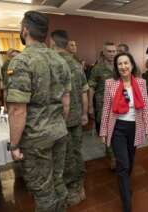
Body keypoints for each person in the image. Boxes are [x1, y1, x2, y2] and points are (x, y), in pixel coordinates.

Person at [6, 11, 71, 212]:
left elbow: (17, 109)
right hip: (59, 132)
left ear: (25, 30)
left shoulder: (21, 61)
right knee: (57, 181)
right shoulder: (61, 60)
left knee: (43, 191)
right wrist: (58, 125)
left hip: (36, 139)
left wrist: (14, 145)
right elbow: (66, 101)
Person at [100, 52, 148, 212]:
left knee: (129, 162)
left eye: (126, 63)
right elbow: (106, 109)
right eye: (120, 64)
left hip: (135, 128)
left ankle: (125, 185)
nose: (123, 67)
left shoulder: (141, 83)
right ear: (116, 67)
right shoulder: (110, 83)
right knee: (122, 165)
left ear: (131, 65)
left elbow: (145, 107)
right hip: (117, 128)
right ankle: (127, 204)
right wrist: (103, 131)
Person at [50, 30, 89, 206]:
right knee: (76, 152)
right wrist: (84, 114)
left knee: (63, 156)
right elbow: (84, 93)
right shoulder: (75, 65)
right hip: (74, 118)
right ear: (66, 44)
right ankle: (78, 187)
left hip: (56, 120)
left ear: (52, 42)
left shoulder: (50, 63)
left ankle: (71, 189)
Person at [88, 42, 117, 169]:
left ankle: (113, 153)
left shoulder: (120, 66)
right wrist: (89, 106)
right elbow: (91, 88)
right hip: (103, 105)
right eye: (109, 51)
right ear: (104, 52)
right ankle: (113, 157)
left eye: (114, 51)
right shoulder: (97, 68)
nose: (112, 54)